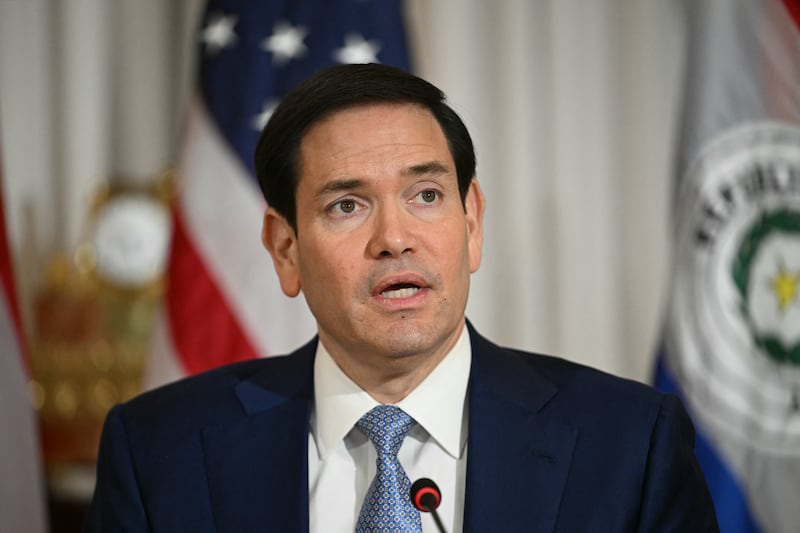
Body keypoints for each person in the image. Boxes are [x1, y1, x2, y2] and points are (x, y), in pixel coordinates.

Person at [84, 63, 719, 532]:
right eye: (346, 205)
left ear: (471, 224)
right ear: (285, 249)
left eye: (426, 196)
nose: (394, 239)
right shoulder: (159, 452)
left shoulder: (629, 446)